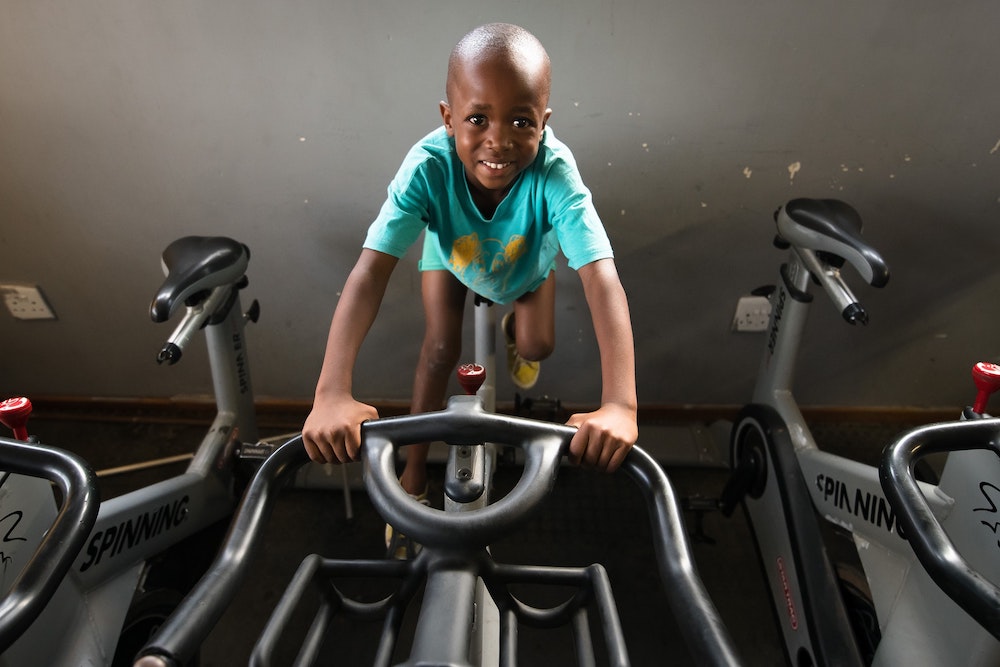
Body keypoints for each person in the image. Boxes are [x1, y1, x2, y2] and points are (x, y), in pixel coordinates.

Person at [302, 23, 637, 547]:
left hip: (524, 261)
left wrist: (621, 404)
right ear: (447, 118)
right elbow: (369, 272)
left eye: (521, 121)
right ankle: (412, 477)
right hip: (453, 253)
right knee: (439, 349)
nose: (498, 140)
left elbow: (601, 279)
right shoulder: (427, 169)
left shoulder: (555, 175)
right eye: (477, 118)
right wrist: (331, 393)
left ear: (544, 124)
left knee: (536, 345)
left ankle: (515, 323)